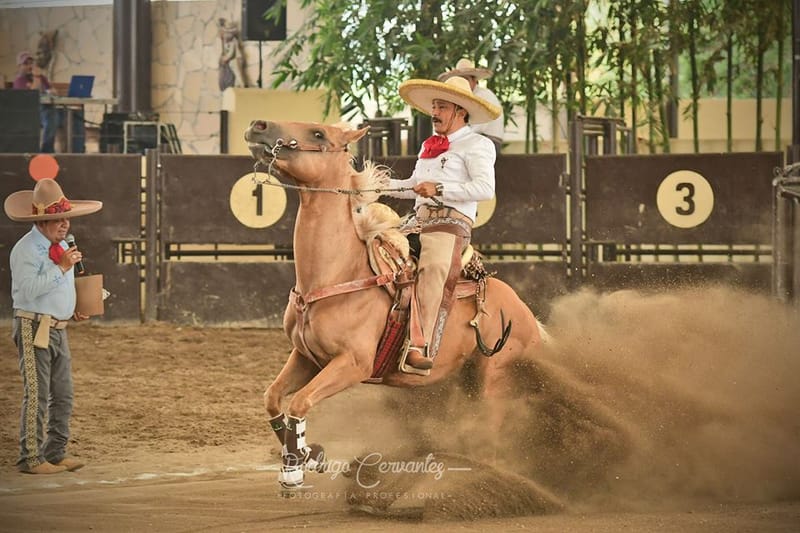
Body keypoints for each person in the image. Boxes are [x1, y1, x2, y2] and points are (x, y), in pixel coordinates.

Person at [383, 75, 500, 370]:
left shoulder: (478, 145)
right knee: (376, 249)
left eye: (442, 107)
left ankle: (419, 346)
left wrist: (440, 189)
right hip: (418, 220)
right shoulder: (429, 146)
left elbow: (485, 189)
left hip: (451, 224)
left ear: (460, 111)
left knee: (434, 268)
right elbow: (414, 185)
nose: (434, 112)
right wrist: (377, 185)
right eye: (434, 106)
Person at [4, 177, 102, 474]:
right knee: (36, 393)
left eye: (66, 218)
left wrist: (74, 310)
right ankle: (31, 457)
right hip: (34, 327)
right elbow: (30, 291)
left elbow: (55, 290)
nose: (65, 224)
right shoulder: (26, 251)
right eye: (58, 219)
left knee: (63, 394)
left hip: (57, 327)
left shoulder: (58, 247)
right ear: (42, 221)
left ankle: (55, 453)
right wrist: (62, 268)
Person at [12, 50, 85, 153]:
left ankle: (78, 151)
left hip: (47, 109)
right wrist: (37, 76)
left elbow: (52, 90)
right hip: (30, 114)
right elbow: (33, 95)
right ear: (19, 66)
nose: (29, 66)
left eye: (31, 63)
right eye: (25, 64)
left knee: (75, 115)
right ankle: (47, 150)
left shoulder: (41, 77)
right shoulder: (20, 80)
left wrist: (52, 91)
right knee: (51, 116)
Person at [438, 58, 504, 153]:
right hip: (475, 138)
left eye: (466, 79)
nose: (462, 82)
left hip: (489, 140)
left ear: (474, 80)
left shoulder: (483, 95)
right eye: (460, 79)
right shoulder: (465, 98)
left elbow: (479, 127)